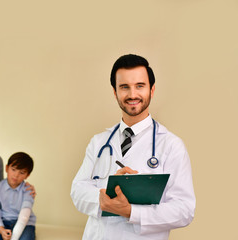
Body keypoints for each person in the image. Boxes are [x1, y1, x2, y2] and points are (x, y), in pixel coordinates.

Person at [70, 54, 196, 240]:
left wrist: (131, 212)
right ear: (115, 92)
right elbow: (77, 190)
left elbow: (184, 209)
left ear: (152, 90)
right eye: (124, 87)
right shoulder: (98, 142)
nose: (132, 94)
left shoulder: (171, 145)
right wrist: (104, 196)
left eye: (139, 86)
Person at [0, 152, 36, 240]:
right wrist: (1, 229)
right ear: (6, 168)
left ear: (27, 175)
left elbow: (24, 217)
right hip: (4, 223)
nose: (16, 175)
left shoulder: (28, 190)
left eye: (22, 172)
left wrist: (14, 237)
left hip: (26, 225)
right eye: (13, 169)